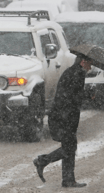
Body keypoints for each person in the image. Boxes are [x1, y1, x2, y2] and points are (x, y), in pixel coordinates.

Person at [33, 55, 93, 188]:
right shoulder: (76, 74)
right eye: (90, 63)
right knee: (70, 146)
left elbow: (72, 94)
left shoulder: (74, 72)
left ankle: (68, 180)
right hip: (64, 116)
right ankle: (42, 161)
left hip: (64, 115)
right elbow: (73, 96)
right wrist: (88, 95)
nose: (91, 67)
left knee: (70, 145)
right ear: (83, 62)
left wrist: (86, 94)